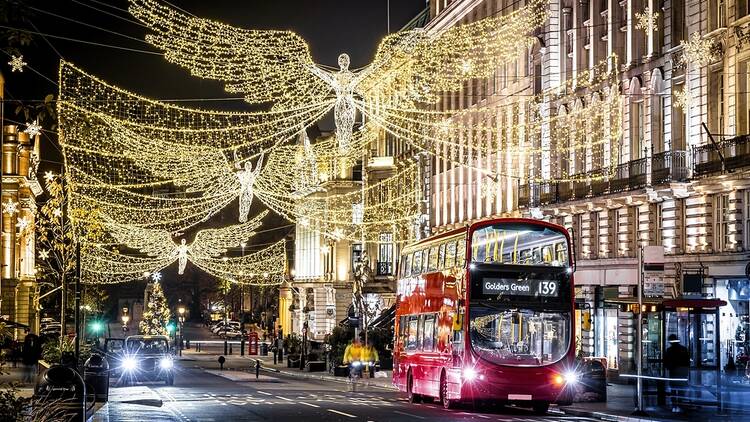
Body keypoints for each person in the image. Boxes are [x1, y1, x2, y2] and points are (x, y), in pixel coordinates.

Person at [663, 334, 689, 413]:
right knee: (681, 390)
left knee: (673, 390)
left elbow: (666, 362)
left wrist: (669, 367)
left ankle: (674, 406)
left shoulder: (669, 350)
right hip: (682, 372)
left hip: (674, 372)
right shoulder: (684, 349)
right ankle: (680, 405)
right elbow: (687, 361)